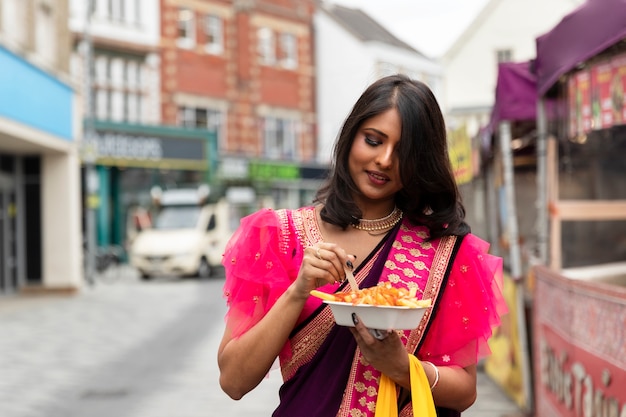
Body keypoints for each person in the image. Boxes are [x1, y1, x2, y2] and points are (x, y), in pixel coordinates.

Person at [217, 74, 506, 416]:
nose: (384, 159)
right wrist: (298, 292)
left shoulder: (444, 250)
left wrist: (401, 368)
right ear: (351, 136)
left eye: (403, 152)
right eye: (373, 140)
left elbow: (464, 392)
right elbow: (234, 381)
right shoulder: (280, 236)